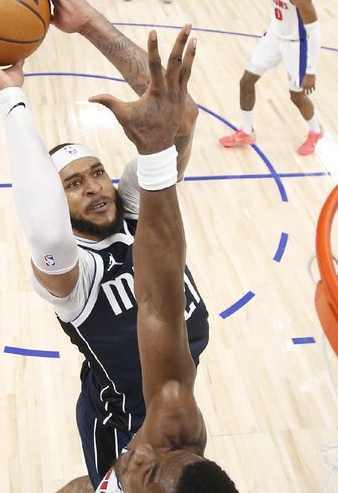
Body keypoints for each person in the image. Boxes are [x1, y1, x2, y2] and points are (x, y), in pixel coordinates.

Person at [0, 0, 210, 491]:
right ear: (58, 201)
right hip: (122, 422)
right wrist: (9, 96)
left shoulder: (133, 210)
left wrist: (90, 24)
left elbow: (175, 119)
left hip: (160, 406)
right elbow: (47, 235)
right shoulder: (76, 277)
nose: (91, 187)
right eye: (71, 183)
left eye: (97, 174)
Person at [87, 25, 238, 493]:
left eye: (148, 471)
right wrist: (154, 152)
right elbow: (158, 305)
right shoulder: (173, 417)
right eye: (160, 459)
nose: (143, 451)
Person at [219, 0, 323, 156]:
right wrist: (272, 28)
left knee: (296, 96)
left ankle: (315, 131)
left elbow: (314, 30)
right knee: (246, 81)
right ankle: (247, 131)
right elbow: (281, 10)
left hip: (296, 45)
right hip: (274, 38)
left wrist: (311, 71)